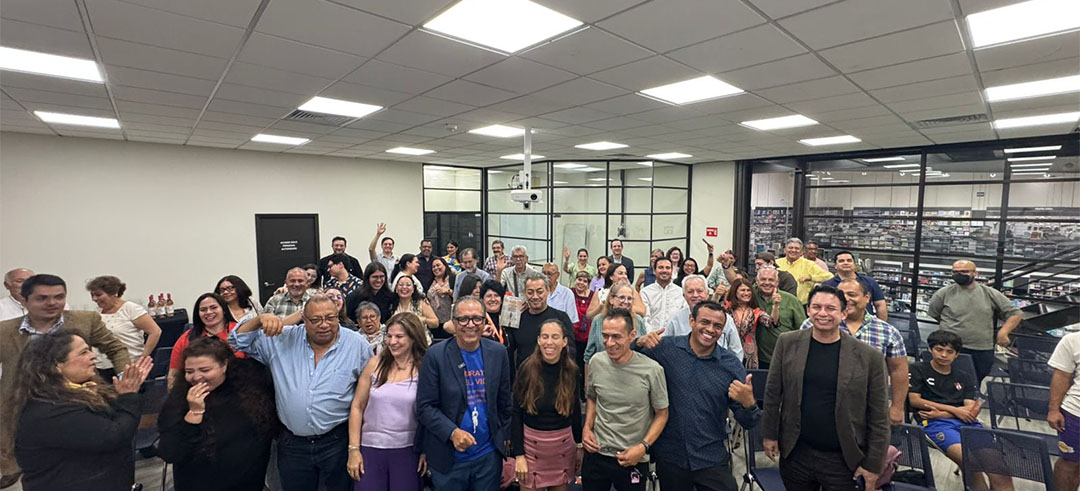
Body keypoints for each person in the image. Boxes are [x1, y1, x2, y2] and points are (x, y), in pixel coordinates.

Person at [230, 295, 374, 491]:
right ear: (303, 319)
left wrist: (356, 447)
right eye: (316, 320)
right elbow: (237, 340)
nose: (324, 325)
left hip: (337, 441)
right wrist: (259, 320)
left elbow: (368, 394)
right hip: (293, 444)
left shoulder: (357, 345)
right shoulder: (281, 339)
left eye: (330, 318)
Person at [0, 274, 131, 487]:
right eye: (42, 298)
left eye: (59, 297)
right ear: (24, 300)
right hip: (24, 408)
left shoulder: (85, 320)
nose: (52, 303)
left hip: (78, 403)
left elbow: (116, 348)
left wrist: (125, 379)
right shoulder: (4, 331)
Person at [762, 285, 889, 491]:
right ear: (808, 310)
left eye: (830, 308)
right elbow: (772, 393)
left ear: (843, 313)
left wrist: (873, 465)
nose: (823, 313)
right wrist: (770, 434)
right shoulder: (787, 343)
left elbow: (879, 415)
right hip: (796, 454)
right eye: (816, 307)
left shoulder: (869, 357)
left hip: (843, 458)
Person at [634, 301, 759, 491]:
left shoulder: (730, 365)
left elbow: (748, 422)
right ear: (691, 321)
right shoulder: (666, 349)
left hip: (710, 456)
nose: (710, 329)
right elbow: (626, 357)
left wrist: (749, 404)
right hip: (671, 456)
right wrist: (638, 342)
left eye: (717, 326)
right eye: (705, 322)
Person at [12, 330, 151, 491]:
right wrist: (128, 397)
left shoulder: (79, 393)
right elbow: (114, 435)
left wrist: (121, 395)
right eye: (84, 352)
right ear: (57, 366)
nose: (93, 356)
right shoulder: (51, 409)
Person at [416, 297, 512, 490]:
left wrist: (503, 441)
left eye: (477, 319)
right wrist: (452, 433)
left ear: (484, 322)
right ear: (454, 322)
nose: (471, 325)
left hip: (488, 457)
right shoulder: (436, 355)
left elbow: (505, 403)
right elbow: (425, 407)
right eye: (463, 319)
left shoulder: (498, 352)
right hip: (449, 458)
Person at [158, 337, 278, 491]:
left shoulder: (250, 388)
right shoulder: (179, 399)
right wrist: (194, 413)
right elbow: (169, 452)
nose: (196, 377)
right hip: (199, 484)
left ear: (224, 365)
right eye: (189, 371)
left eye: (205, 370)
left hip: (247, 481)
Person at [908, 329, 1012, 490]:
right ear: (930, 349)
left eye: (949, 352)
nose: (944, 355)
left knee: (999, 469)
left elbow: (970, 408)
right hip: (934, 423)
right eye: (939, 350)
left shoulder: (964, 376)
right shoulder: (918, 369)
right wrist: (955, 411)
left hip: (966, 422)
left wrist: (945, 413)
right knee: (971, 463)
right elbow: (915, 400)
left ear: (956, 354)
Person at [582, 309, 668, 491]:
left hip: (632, 457)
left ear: (632, 336)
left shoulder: (652, 370)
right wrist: (587, 427)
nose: (609, 343)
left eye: (616, 337)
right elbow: (592, 397)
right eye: (605, 336)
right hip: (597, 453)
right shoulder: (596, 362)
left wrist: (643, 447)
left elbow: (662, 414)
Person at [801, 279, 908, 424]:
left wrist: (897, 407)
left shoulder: (887, 331)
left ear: (867, 297)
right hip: (820, 404)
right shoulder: (814, 324)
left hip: (868, 407)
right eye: (842, 294)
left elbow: (898, 370)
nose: (846, 299)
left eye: (852, 294)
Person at [347, 312, 429, 491]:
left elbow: (430, 412)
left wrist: (425, 449)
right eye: (389, 336)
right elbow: (357, 407)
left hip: (408, 450)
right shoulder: (375, 363)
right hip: (370, 448)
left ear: (413, 338)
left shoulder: (424, 367)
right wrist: (353, 449)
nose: (392, 342)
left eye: (399, 337)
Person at [512, 319, 583, 491]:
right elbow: (516, 413)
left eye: (555, 337)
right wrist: (519, 455)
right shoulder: (526, 368)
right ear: (538, 340)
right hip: (531, 448)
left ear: (564, 341)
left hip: (563, 448)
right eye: (545, 337)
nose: (549, 342)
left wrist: (579, 445)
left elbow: (575, 411)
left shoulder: (572, 371)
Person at [927, 259, 1022, 386]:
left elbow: (1016, 313)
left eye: (964, 271)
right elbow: (934, 313)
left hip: (981, 348)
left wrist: (1003, 332)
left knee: (973, 383)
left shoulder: (989, 293)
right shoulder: (943, 293)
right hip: (949, 348)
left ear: (975, 273)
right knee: (945, 382)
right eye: (955, 272)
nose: (959, 275)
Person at [86, 275, 162, 380]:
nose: (94, 299)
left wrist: (143, 358)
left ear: (113, 293)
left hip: (128, 366)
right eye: (92, 295)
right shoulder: (96, 313)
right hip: (102, 368)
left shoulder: (131, 309)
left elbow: (155, 332)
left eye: (98, 295)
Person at [169, 293, 244, 386]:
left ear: (224, 310)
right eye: (203, 310)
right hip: (198, 387)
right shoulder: (187, 338)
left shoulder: (241, 331)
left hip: (240, 385)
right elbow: (173, 375)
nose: (208, 312)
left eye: (213, 308)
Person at [664, 274, 742, 362]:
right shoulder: (676, 319)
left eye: (699, 291)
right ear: (684, 296)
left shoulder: (724, 318)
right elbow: (666, 346)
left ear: (707, 293)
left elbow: (736, 351)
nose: (695, 295)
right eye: (690, 292)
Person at [508, 277, 576, 371]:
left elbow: (571, 351)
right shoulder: (518, 319)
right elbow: (509, 351)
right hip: (525, 376)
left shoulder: (561, 317)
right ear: (525, 293)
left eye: (539, 292)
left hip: (556, 375)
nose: (535, 296)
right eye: (530, 292)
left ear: (548, 291)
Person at [584, 281, 648, 365]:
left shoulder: (638, 320)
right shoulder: (598, 320)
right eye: (622, 297)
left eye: (629, 298)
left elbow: (644, 350)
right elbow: (589, 355)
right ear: (611, 299)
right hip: (604, 368)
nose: (626, 302)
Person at [753, 267, 805, 370]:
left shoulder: (791, 300)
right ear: (757, 281)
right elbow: (736, 285)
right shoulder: (750, 296)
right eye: (763, 279)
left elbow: (803, 329)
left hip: (787, 357)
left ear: (777, 282)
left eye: (771, 280)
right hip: (759, 359)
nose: (767, 283)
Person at [1049, 331, 1080, 491]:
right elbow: (1061, 375)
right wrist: (1054, 409)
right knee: (1070, 463)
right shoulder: (1072, 340)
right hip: (1076, 414)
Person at [821, 251, 888, 321]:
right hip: (836, 324)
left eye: (849, 260)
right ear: (835, 266)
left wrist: (881, 324)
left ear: (854, 264)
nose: (846, 263)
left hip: (866, 324)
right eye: (841, 261)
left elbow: (880, 305)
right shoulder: (827, 285)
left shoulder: (870, 282)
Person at [724, 278, 773, 369]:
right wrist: (717, 295)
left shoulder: (755, 312)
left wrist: (776, 305)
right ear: (735, 292)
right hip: (729, 352)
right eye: (743, 290)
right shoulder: (726, 310)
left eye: (748, 290)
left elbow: (771, 323)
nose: (746, 293)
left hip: (749, 355)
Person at [776, 238, 833, 305]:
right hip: (779, 303)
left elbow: (829, 276)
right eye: (790, 248)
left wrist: (811, 277)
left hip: (801, 305)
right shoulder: (777, 263)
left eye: (797, 248)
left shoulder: (809, 265)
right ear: (785, 250)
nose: (793, 250)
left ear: (802, 252)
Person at [640, 257, 686, 333]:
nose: (664, 271)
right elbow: (645, 318)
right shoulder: (645, 292)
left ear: (672, 271)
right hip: (651, 336)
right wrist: (652, 335)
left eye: (667, 268)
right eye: (661, 267)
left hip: (675, 337)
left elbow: (683, 318)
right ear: (654, 271)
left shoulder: (681, 292)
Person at [390, 275, 439, 341]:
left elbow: (436, 323)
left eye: (408, 285)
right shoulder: (391, 305)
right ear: (396, 289)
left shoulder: (421, 303)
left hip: (419, 341)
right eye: (401, 285)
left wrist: (423, 320)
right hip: (397, 341)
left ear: (413, 289)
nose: (404, 287)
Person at [571, 270, 594, 395]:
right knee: (574, 364)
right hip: (573, 335)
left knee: (586, 363)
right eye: (579, 279)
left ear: (588, 283)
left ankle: (584, 392)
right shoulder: (570, 293)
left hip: (588, 336)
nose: (581, 283)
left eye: (585, 281)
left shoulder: (593, 295)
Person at [427, 256, 457, 331]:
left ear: (445, 266)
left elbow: (459, 296)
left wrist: (448, 291)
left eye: (438, 265)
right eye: (433, 267)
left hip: (449, 321)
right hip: (435, 321)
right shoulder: (430, 281)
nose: (436, 268)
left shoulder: (453, 278)